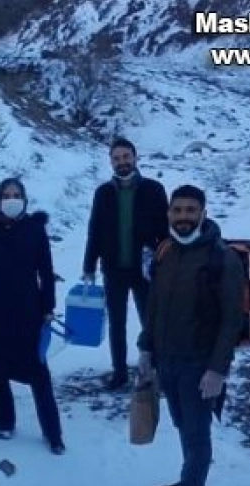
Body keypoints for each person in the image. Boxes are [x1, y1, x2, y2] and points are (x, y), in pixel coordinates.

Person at [136, 184, 243, 486]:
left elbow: (232, 320)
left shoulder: (221, 259)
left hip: (200, 364)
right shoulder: (166, 251)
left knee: (197, 434)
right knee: (183, 424)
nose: (183, 217)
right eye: (177, 210)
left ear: (203, 214)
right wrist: (146, 348)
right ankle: (191, 484)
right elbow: (154, 305)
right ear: (169, 214)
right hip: (167, 359)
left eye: (190, 211)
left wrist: (217, 370)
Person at [0, 178, 64, 454]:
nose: (11, 199)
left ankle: (53, 433)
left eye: (16, 195)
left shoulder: (34, 229)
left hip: (28, 311)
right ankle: (5, 421)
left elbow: (46, 271)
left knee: (39, 373)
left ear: (24, 199)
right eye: (6, 195)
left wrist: (47, 307)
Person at [82, 137, 168, 390]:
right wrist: (89, 265)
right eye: (117, 158)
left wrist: (165, 262)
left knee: (150, 322)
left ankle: (156, 370)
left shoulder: (154, 189)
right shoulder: (103, 193)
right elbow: (95, 230)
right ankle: (119, 372)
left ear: (135, 157)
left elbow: (165, 232)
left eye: (126, 157)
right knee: (116, 323)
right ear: (111, 162)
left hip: (145, 270)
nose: (122, 162)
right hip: (113, 269)